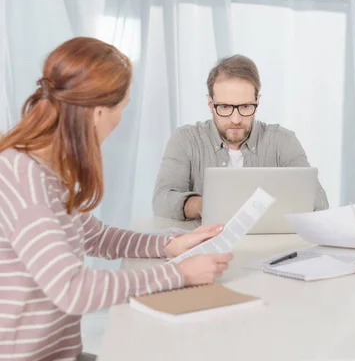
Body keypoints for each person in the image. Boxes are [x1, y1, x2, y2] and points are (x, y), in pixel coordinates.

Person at [0, 37, 233, 361]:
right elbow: (73, 289)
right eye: (121, 108)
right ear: (96, 113)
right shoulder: (27, 184)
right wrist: (181, 275)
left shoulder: (46, 165)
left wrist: (169, 246)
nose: (121, 119)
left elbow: (92, 235)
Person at [152, 54, 329, 220]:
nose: (235, 119)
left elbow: (319, 202)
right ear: (210, 104)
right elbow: (161, 201)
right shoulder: (185, 139)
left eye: (245, 107)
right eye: (225, 107)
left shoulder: (282, 141)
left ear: (257, 102)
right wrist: (202, 205)